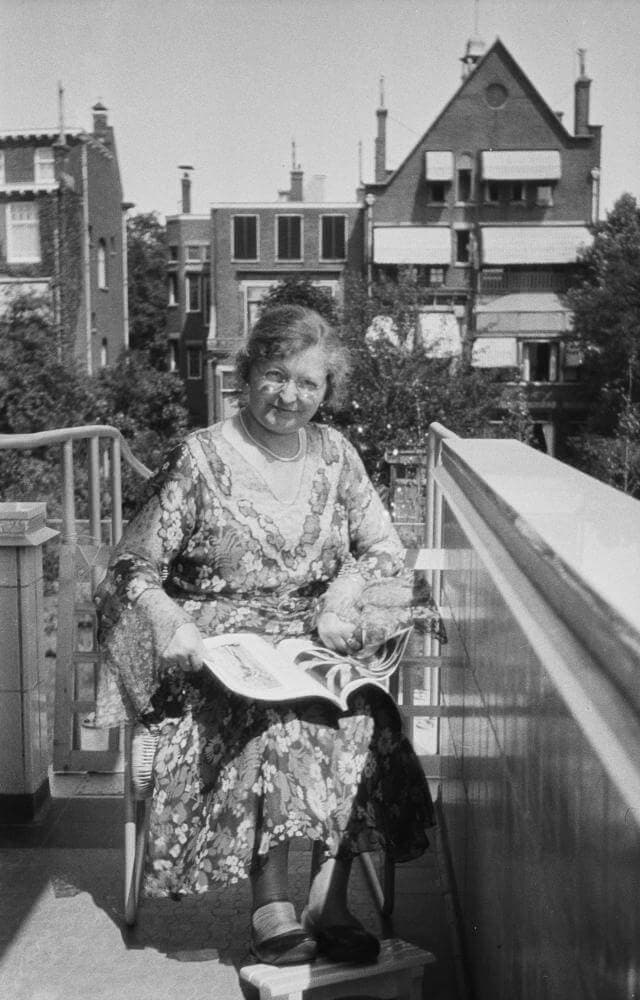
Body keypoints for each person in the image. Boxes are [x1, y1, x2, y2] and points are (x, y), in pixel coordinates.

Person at [94, 304, 441, 967]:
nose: (289, 396)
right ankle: (272, 904)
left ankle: (326, 899)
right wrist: (171, 621)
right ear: (248, 374)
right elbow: (132, 568)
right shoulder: (199, 458)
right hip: (222, 649)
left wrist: (344, 593)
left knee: (361, 715)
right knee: (278, 721)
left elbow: (385, 551)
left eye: (308, 384)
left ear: (326, 391)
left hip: (313, 640)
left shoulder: (337, 454)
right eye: (276, 376)